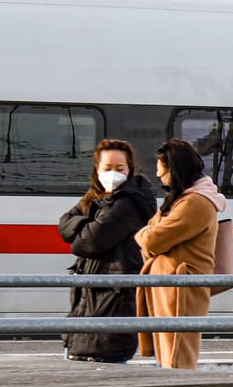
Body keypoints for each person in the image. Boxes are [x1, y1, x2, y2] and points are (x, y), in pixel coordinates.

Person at [57, 140, 158, 363]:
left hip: (111, 302)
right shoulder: (95, 198)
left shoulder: (129, 202)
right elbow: (63, 224)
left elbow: (90, 242)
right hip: (88, 307)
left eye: (120, 169)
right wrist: (88, 223)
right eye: (107, 168)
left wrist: (82, 228)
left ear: (130, 169)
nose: (113, 174)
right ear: (97, 169)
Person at [135, 139, 218, 369]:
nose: (159, 174)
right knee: (169, 355)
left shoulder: (195, 202)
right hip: (172, 287)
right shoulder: (185, 199)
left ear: (175, 168)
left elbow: (152, 239)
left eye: (162, 167)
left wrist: (144, 235)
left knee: (177, 358)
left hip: (181, 291)